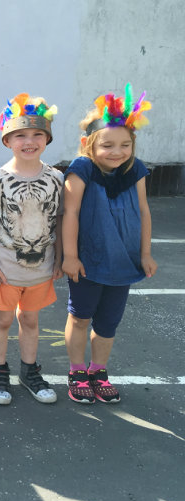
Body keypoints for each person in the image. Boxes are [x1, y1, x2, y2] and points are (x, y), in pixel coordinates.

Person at [62, 84, 156, 404]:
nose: (117, 151)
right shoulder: (82, 169)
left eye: (125, 145)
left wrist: (145, 253)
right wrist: (70, 256)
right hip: (88, 259)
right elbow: (71, 212)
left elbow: (143, 210)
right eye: (107, 145)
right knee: (80, 317)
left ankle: (98, 371)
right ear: (89, 144)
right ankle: (77, 371)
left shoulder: (135, 169)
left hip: (123, 260)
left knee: (108, 323)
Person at [0, 93, 63, 405]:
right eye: (20, 135)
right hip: (6, 271)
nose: (29, 141)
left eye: (37, 134)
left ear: (47, 138)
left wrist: (61, 258)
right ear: (7, 140)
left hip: (41, 270)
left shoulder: (56, 178)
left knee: (30, 320)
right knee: (2, 321)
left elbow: (60, 221)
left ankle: (29, 371)